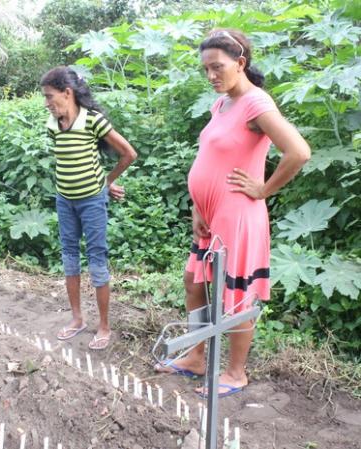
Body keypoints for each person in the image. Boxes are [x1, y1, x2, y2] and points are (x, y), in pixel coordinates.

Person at [154, 29, 310, 396]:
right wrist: (196, 205)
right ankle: (195, 356)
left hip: (238, 214)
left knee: (237, 294)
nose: (211, 76)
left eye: (217, 67)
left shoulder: (256, 104)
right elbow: (210, 157)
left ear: (240, 63)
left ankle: (236, 372)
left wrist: (264, 188)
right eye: (206, 69)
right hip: (210, 214)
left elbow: (299, 152)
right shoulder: (221, 104)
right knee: (194, 284)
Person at [40, 66, 137, 350]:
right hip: (64, 201)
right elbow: (72, 162)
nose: (47, 103)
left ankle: (104, 326)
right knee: (70, 258)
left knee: (96, 261)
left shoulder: (93, 121)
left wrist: (106, 182)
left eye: (50, 96)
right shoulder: (53, 123)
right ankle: (77, 319)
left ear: (67, 93)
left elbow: (129, 154)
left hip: (92, 202)